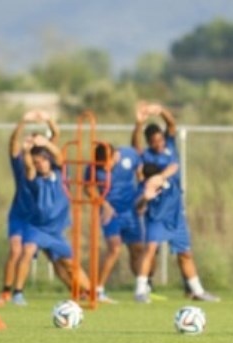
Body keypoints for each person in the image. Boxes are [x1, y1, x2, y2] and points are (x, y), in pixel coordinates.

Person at [131, 102, 219, 303]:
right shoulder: (146, 156)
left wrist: (160, 110)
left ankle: (197, 291)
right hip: (157, 212)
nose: (159, 143)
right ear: (149, 142)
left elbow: (171, 125)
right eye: (154, 141)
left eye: (160, 139)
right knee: (151, 249)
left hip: (175, 211)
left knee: (185, 252)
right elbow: (136, 146)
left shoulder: (170, 147)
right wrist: (138, 124)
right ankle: (140, 291)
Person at [10, 134, 91, 302]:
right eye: (36, 162)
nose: (40, 165)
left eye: (43, 160)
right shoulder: (34, 179)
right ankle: (17, 293)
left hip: (56, 230)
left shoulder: (60, 173)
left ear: (48, 160)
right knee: (28, 250)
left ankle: (90, 293)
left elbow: (60, 157)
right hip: (37, 228)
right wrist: (26, 152)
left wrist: (46, 142)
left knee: (67, 263)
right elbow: (28, 167)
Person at [2, 110, 59, 305]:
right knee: (16, 251)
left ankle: (18, 292)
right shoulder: (21, 160)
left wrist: (49, 119)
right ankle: (7, 292)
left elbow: (56, 137)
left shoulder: (45, 160)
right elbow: (12, 142)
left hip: (39, 219)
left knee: (33, 253)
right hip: (19, 214)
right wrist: (22, 122)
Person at [85, 142, 144, 303]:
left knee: (137, 249)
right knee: (115, 248)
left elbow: (141, 174)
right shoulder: (93, 167)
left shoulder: (129, 155)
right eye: (101, 166)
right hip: (109, 214)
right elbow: (89, 188)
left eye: (107, 164)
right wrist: (104, 204)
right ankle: (98, 290)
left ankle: (142, 288)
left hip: (130, 212)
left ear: (115, 156)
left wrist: (142, 198)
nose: (105, 169)